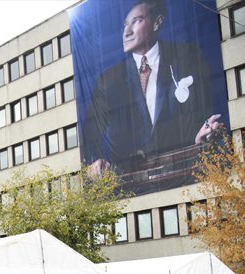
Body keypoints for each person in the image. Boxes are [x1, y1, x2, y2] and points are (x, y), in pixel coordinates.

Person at [83, 0, 219, 178]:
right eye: (125, 24)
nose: (127, 32)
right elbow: (90, 136)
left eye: (136, 21)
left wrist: (205, 132)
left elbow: (208, 108)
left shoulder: (187, 56)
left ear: (157, 22)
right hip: (132, 182)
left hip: (187, 171)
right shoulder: (108, 79)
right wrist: (96, 161)